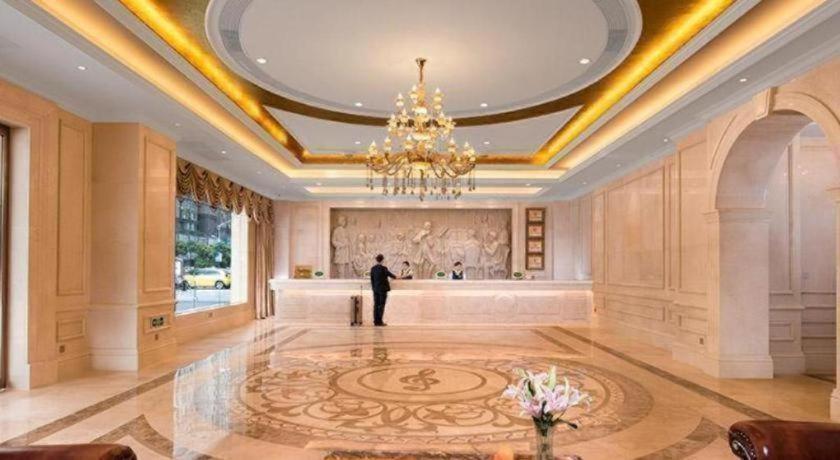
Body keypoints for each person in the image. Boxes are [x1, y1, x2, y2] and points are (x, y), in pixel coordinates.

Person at [370, 254, 397, 326]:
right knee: (381, 305)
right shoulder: (384, 268)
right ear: (382, 260)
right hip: (383, 290)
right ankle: (380, 321)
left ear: (376, 260)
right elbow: (391, 275)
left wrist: (373, 288)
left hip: (375, 289)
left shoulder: (373, 268)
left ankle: (375, 321)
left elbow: (372, 280)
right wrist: (397, 277)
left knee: (376, 305)